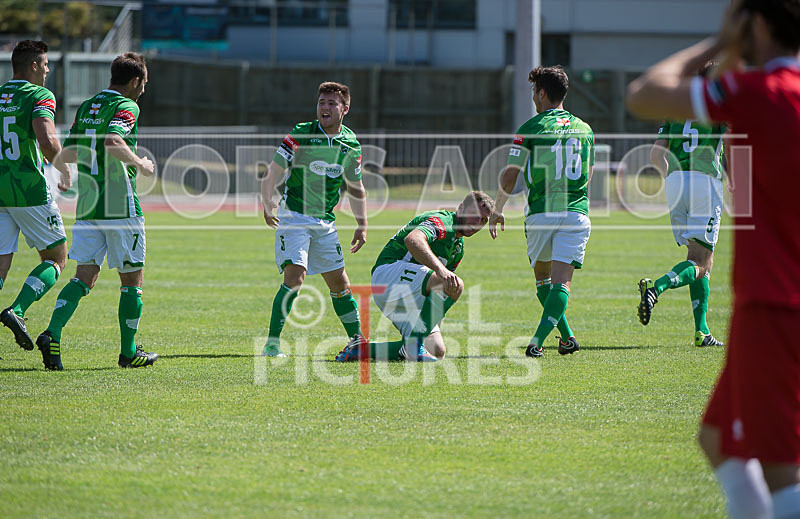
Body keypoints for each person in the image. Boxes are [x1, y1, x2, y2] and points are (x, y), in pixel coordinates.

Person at [626, 1, 800, 517]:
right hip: (769, 296)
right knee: (717, 437)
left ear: (757, 23)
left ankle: (664, 288)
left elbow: (644, 94)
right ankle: (698, 325)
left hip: (776, 300)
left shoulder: (759, 93)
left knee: (778, 466)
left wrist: (720, 41)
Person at [36, 53, 156, 370]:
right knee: (132, 281)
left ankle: (52, 333)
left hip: (88, 203)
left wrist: (63, 171)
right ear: (135, 81)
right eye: (143, 83)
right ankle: (128, 353)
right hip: (120, 205)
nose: (143, 90)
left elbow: (71, 148)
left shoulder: (88, 105)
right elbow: (113, 139)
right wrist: (141, 163)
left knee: (83, 277)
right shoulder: (127, 106)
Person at [489, 65, 594, 358]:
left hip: (541, 212)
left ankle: (535, 341)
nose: (533, 98)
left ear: (542, 93)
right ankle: (567, 337)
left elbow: (511, 175)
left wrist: (497, 209)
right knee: (562, 283)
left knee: (543, 281)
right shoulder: (585, 130)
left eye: (534, 91)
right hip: (575, 210)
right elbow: (589, 173)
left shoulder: (531, 128)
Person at [261, 82, 367, 357]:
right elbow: (274, 169)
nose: (325, 108)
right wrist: (267, 199)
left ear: (345, 108)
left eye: (332, 103)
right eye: (321, 102)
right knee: (295, 277)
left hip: (325, 222)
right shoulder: (302, 133)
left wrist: (362, 223)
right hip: (294, 216)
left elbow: (355, 186)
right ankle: (272, 344)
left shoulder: (350, 144)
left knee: (340, 284)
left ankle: (357, 340)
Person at [335, 191, 494, 363]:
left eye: (483, 220)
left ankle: (363, 350)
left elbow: (439, 294)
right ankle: (413, 343)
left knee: (437, 351)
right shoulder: (443, 221)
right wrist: (441, 270)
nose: (477, 223)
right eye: (475, 214)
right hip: (389, 275)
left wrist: (429, 328)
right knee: (454, 283)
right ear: (461, 208)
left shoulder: (458, 247)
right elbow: (413, 239)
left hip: (410, 292)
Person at [639, 63, 726, 348]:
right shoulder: (719, 105)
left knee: (697, 259)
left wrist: (673, 178)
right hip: (705, 182)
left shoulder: (675, 108)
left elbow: (655, 153)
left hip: (676, 181)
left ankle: (702, 331)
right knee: (703, 261)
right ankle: (657, 288)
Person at [0, 40, 72, 355]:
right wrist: (64, 168)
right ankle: (17, 310)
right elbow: (46, 137)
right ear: (32, 65)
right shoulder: (39, 95)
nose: (47, 70)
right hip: (27, 188)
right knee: (56, 257)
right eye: (44, 65)